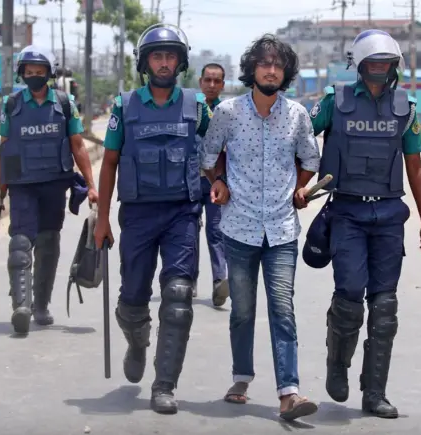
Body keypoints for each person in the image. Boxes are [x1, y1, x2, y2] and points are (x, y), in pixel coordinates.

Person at [305, 29, 421, 419]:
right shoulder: (334, 102)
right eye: (373, 65)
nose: (380, 70)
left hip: (388, 217)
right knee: (348, 294)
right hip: (346, 213)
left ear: (395, 66)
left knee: (385, 306)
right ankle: (337, 363)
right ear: (359, 68)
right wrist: (298, 185)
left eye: (386, 64)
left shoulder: (406, 108)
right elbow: (297, 137)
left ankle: (375, 391)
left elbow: (414, 163)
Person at [93, 23, 212, 415]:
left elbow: (217, 152)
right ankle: (136, 340)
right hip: (139, 215)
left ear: (181, 61)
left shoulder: (197, 106)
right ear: (145, 63)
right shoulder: (124, 106)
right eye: (157, 56)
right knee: (133, 299)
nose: (164, 63)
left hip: (182, 213)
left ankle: (164, 384)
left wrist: (221, 181)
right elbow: (110, 163)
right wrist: (102, 219)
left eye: (171, 56)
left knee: (178, 298)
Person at [201, 34, 321, 421]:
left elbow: (309, 158)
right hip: (238, 227)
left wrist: (301, 188)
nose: (271, 69)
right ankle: (241, 376)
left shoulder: (298, 115)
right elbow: (209, 156)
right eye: (264, 63)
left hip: (283, 229)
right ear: (252, 69)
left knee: (282, 309)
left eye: (278, 65)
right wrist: (218, 180)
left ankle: (290, 393)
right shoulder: (229, 113)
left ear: (285, 74)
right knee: (243, 310)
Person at [0, 45, 98, 335]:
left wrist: (91, 185)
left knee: (49, 243)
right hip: (22, 184)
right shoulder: (12, 104)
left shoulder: (64, 104)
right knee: (21, 241)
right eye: (29, 72)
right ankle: (21, 306)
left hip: (54, 183)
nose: (34, 77)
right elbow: (3, 149)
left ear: (49, 74)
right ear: (21, 74)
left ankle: (41, 305)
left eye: (39, 72)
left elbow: (78, 145)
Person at [195, 62, 228, 306]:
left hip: (216, 181)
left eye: (217, 81)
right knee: (188, 231)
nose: (212, 85)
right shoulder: (189, 108)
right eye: (208, 80)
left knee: (216, 231)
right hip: (189, 180)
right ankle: (187, 280)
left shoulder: (228, 112)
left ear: (223, 85)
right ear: (200, 82)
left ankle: (220, 282)